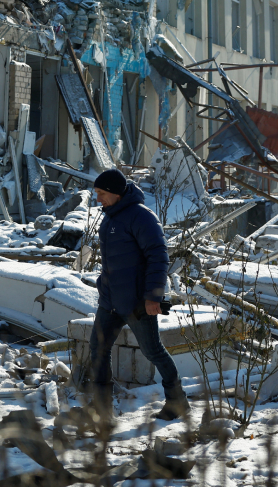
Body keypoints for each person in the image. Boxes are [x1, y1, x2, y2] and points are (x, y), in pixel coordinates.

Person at [89, 168, 189, 421]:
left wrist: (154, 296)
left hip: (136, 302)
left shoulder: (142, 217)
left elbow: (158, 256)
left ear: (115, 193)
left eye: (101, 193)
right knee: (98, 349)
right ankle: (102, 411)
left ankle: (177, 402)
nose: (98, 198)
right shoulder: (110, 217)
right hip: (110, 300)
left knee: (153, 351)